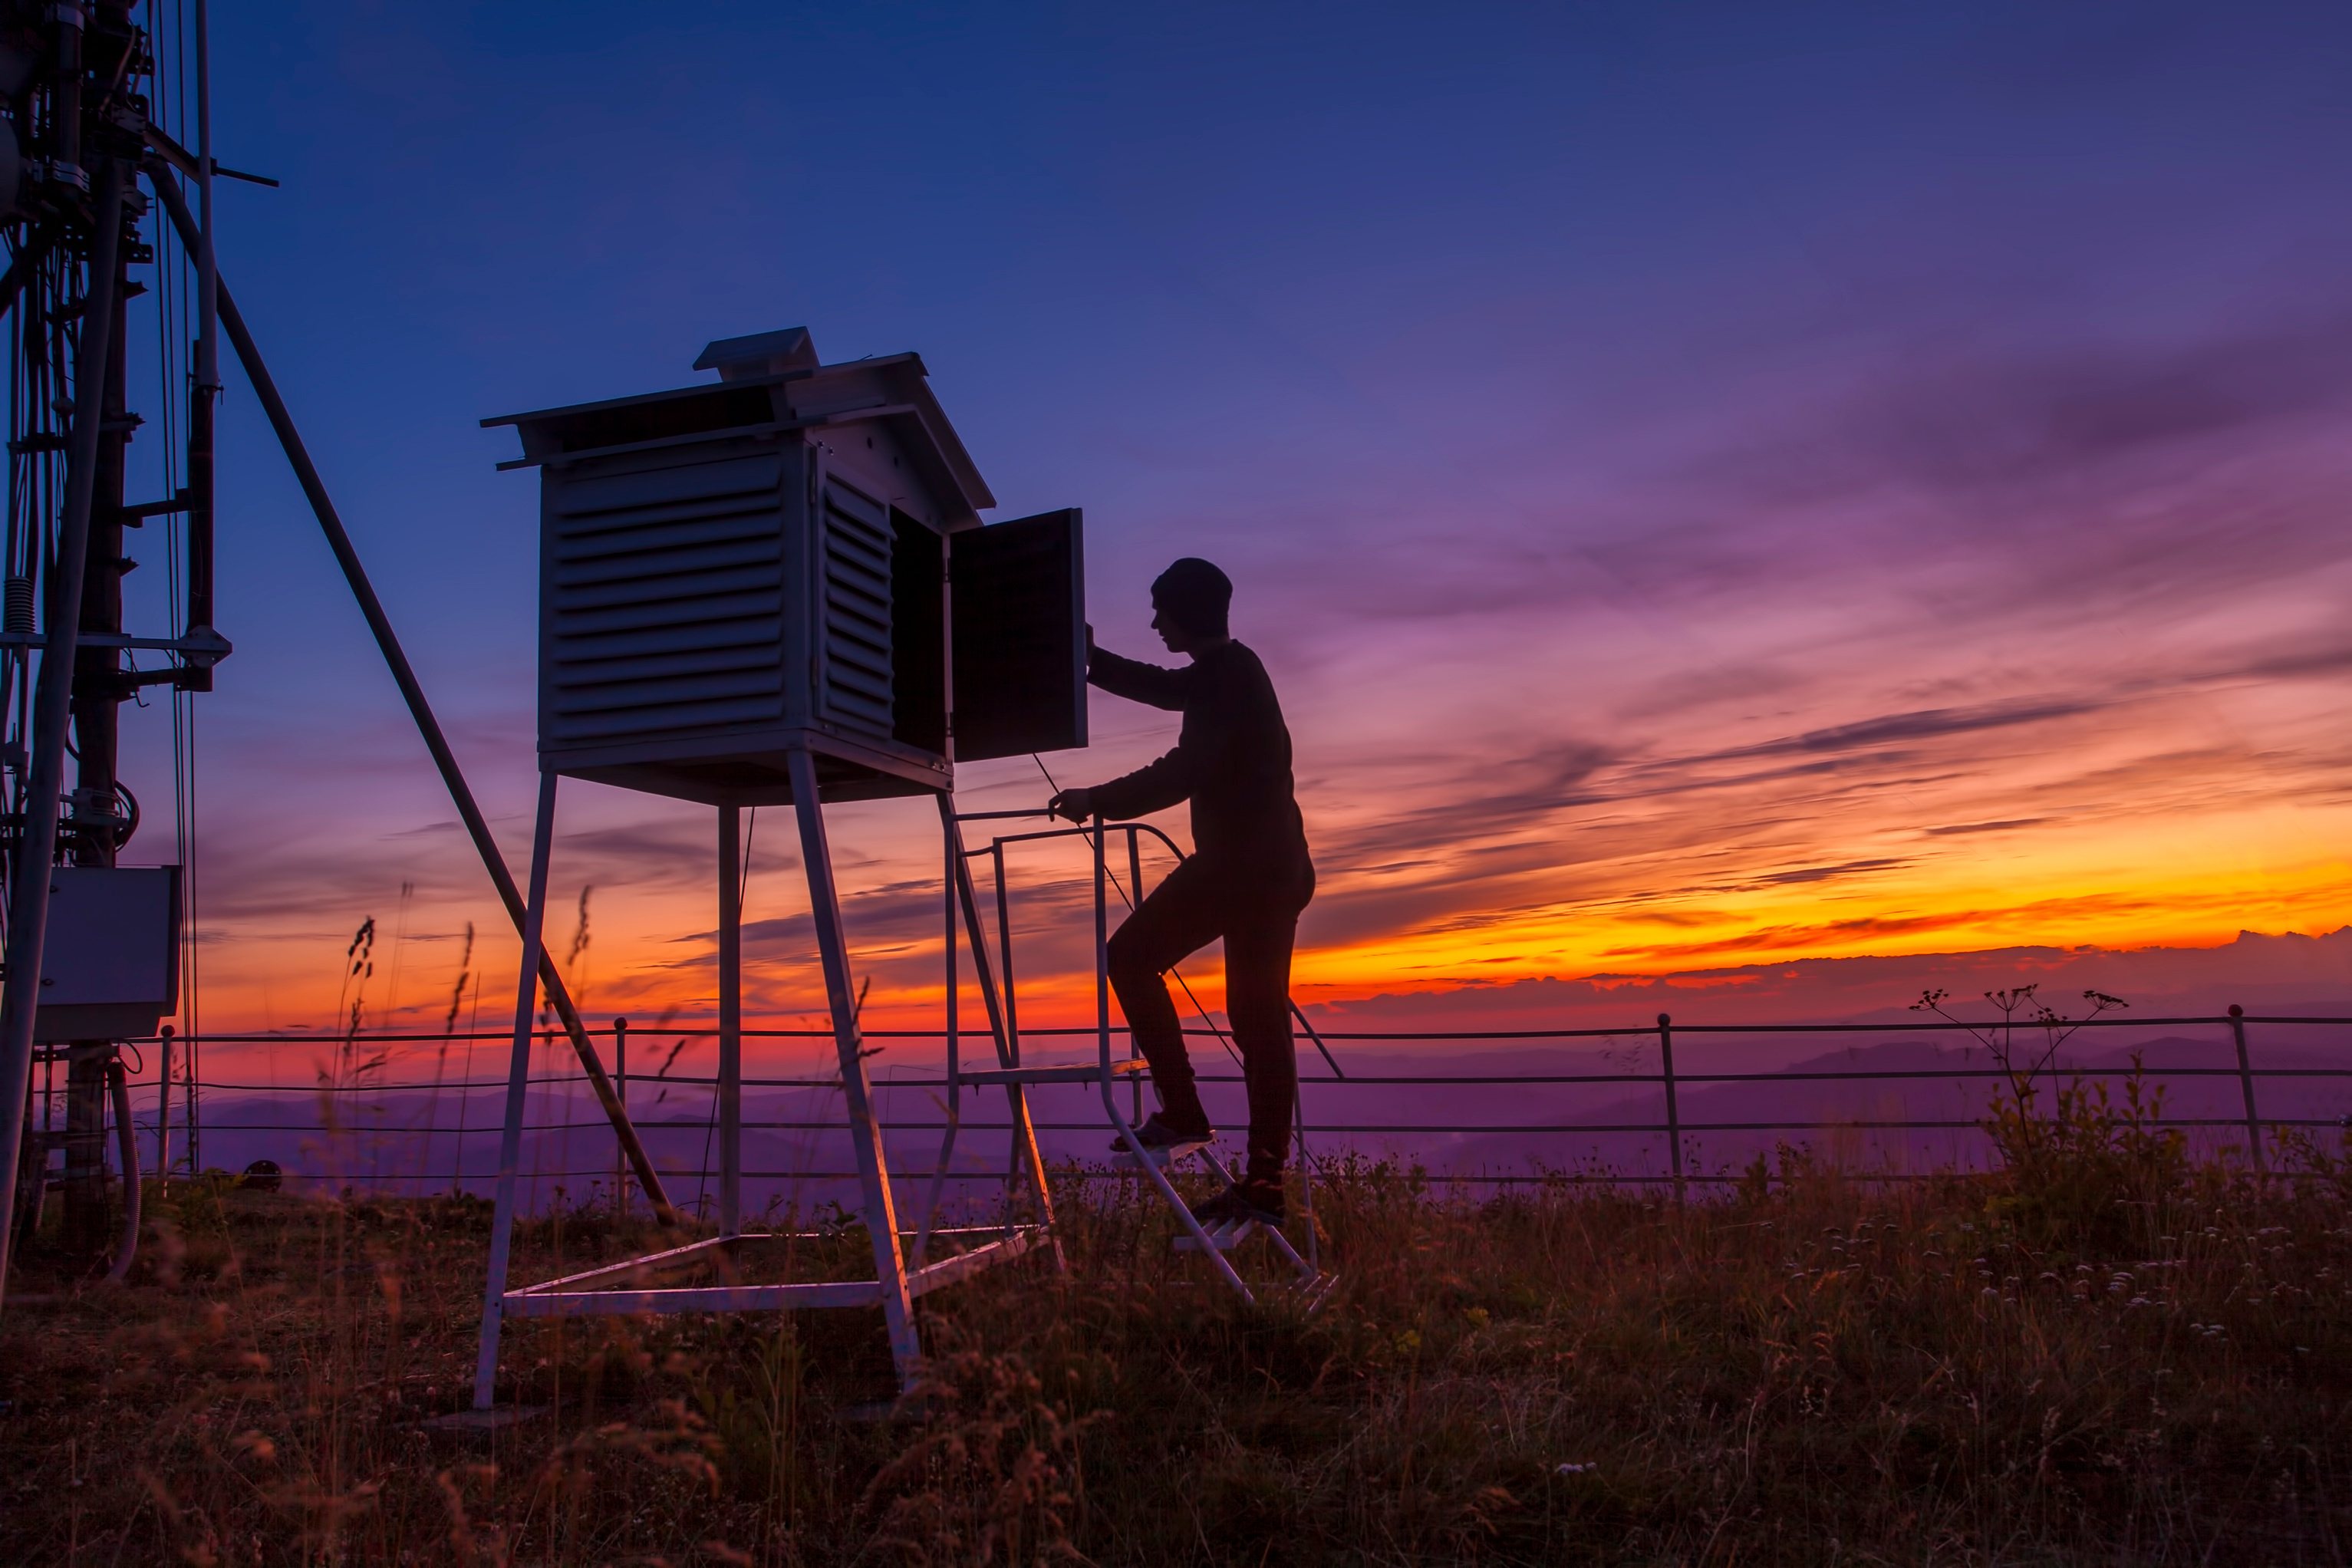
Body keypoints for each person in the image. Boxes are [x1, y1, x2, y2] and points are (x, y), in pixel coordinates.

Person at [1048, 558, 1313, 1227]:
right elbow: (1172, 691)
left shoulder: (1226, 674)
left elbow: (1184, 771)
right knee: (1255, 1018)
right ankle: (1262, 1181)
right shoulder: (1230, 670)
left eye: (1160, 609)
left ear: (1186, 612)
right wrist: (1093, 661)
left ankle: (1183, 1112)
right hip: (1269, 869)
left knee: (1132, 958)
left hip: (1242, 871)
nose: (1154, 621)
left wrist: (1094, 800)